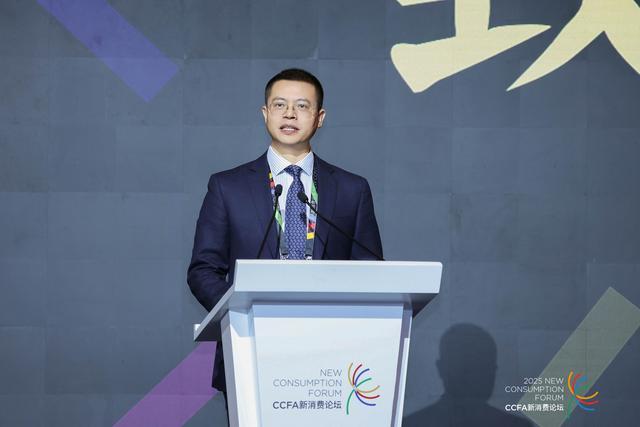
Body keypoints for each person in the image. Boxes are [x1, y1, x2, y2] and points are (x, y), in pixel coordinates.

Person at [187, 68, 383, 398]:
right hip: (250, 346)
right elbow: (203, 270)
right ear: (265, 113)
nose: (289, 114)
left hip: (331, 354)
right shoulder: (227, 187)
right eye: (280, 105)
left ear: (319, 117)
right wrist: (241, 311)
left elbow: (370, 270)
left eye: (302, 106)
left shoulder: (352, 189)